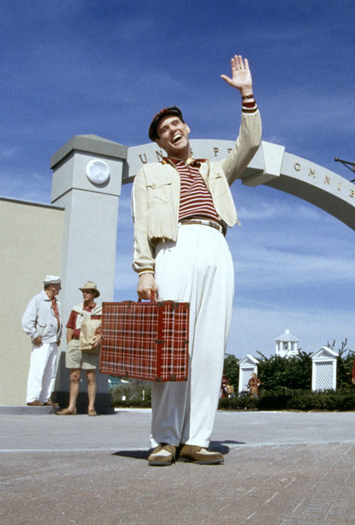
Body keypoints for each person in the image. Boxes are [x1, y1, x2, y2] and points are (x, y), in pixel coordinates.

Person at [133, 55, 261, 467]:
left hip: (215, 243)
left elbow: (251, 143)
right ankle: (164, 439)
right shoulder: (149, 175)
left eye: (176, 124)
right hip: (174, 245)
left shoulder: (214, 170)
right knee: (173, 345)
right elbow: (139, 226)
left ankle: (197, 437)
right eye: (163, 130)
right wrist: (145, 270)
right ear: (158, 142)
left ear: (187, 128)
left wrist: (246, 94)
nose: (172, 131)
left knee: (209, 345)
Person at [57, 281, 102, 416]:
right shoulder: (76, 309)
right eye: (83, 291)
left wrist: (100, 337)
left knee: (90, 376)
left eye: (88, 291)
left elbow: (104, 328)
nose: (85, 294)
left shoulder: (99, 310)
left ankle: (91, 407)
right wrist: (70, 343)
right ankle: (71, 407)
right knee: (74, 376)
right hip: (76, 343)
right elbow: (70, 327)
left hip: (90, 343)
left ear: (94, 294)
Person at [21, 275, 62, 407]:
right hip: (42, 341)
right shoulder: (37, 300)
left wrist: (58, 337)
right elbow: (27, 320)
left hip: (53, 341)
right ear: (52, 287)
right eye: (58, 286)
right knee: (38, 369)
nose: (60, 288)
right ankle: (33, 398)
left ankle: (45, 398)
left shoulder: (56, 303)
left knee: (51, 371)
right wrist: (34, 335)